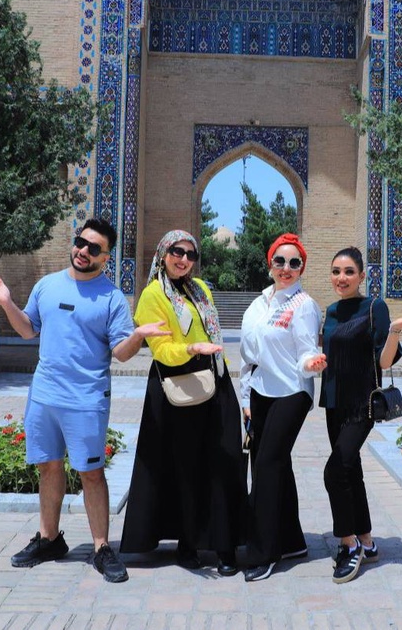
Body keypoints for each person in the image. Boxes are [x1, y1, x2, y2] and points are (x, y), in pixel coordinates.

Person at [0, 218, 169, 584]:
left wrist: (139, 335)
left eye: (94, 249)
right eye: (81, 242)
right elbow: (28, 329)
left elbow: (121, 353)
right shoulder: (46, 286)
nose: (84, 251)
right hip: (44, 396)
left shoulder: (111, 298)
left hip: (86, 399)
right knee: (48, 467)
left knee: (91, 473)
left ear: (106, 258)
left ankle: (101, 548)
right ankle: (49, 539)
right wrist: (6, 303)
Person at [120, 230, 247, 577]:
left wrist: (212, 359)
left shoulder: (200, 288)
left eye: (191, 254)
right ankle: (188, 544)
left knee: (225, 460)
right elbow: (161, 350)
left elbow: (211, 332)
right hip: (178, 386)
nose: (184, 259)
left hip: (215, 381)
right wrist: (191, 349)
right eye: (177, 251)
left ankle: (225, 543)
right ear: (163, 253)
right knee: (186, 468)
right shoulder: (152, 295)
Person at [320, 246, 402, 584]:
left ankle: (348, 544)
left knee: (335, 470)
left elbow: (384, 361)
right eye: (336, 271)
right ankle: (366, 539)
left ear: (361, 276)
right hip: (333, 402)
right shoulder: (331, 311)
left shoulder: (374, 307)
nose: (342, 277)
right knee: (350, 470)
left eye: (349, 272)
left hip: (361, 405)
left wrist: (394, 331)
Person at [239, 233, 327, 582]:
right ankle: (292, 542)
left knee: (268, 465)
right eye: (280, 261)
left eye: (294, 263)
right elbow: (248, 356)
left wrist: (312, 364)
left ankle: (263, 552)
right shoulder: (258, 304)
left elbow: (306, 350)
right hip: (261, 391)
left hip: (292, 391)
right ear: (270, 263)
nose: (286, 268)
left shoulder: (304, 305)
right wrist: (245, 398)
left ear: (302, 267)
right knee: (273, 464)